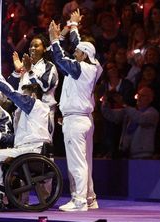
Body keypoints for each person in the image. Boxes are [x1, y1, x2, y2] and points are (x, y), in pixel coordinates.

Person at [48, 9, 102, 211]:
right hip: (84, 120)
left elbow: (61, 59)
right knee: (85, 161)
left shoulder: (81, 68)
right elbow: (80, 46)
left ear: (84, 55)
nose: (75, 53)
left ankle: (79, 201)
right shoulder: (93, 66)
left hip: (76, 122)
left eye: (78, 52)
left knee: (77, 162)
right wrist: (73, 25)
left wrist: (54, 40)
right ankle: (89, 198)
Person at [0, 67, 52, 206]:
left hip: (32, 150)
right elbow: (17, 137)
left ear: (32, 96)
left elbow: (10, 92)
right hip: (29, 147)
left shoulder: (34, 104)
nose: (20, 98)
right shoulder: (33, 114)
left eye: (23, 95)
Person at [8, 34, 59, 134]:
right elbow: (10, 90)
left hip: (42, 112)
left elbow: (44, 87)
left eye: (36, 46)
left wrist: (30, 71)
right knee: (21, 147)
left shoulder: (49, 67)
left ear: (44, 49)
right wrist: (17, 71)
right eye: (31, 46)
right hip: (22, 112)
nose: (32, 48)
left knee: (41, 146)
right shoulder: (24, 66)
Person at [101, 87, 159, 159]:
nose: (139, 98)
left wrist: (123, 104)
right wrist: (105, 102)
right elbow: (111, 116)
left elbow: (141, 119)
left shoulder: (153, 113)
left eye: (143, 96)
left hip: (143, 155)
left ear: (150, 99)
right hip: (127, 153)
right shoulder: (130, 111)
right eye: (138, 95)